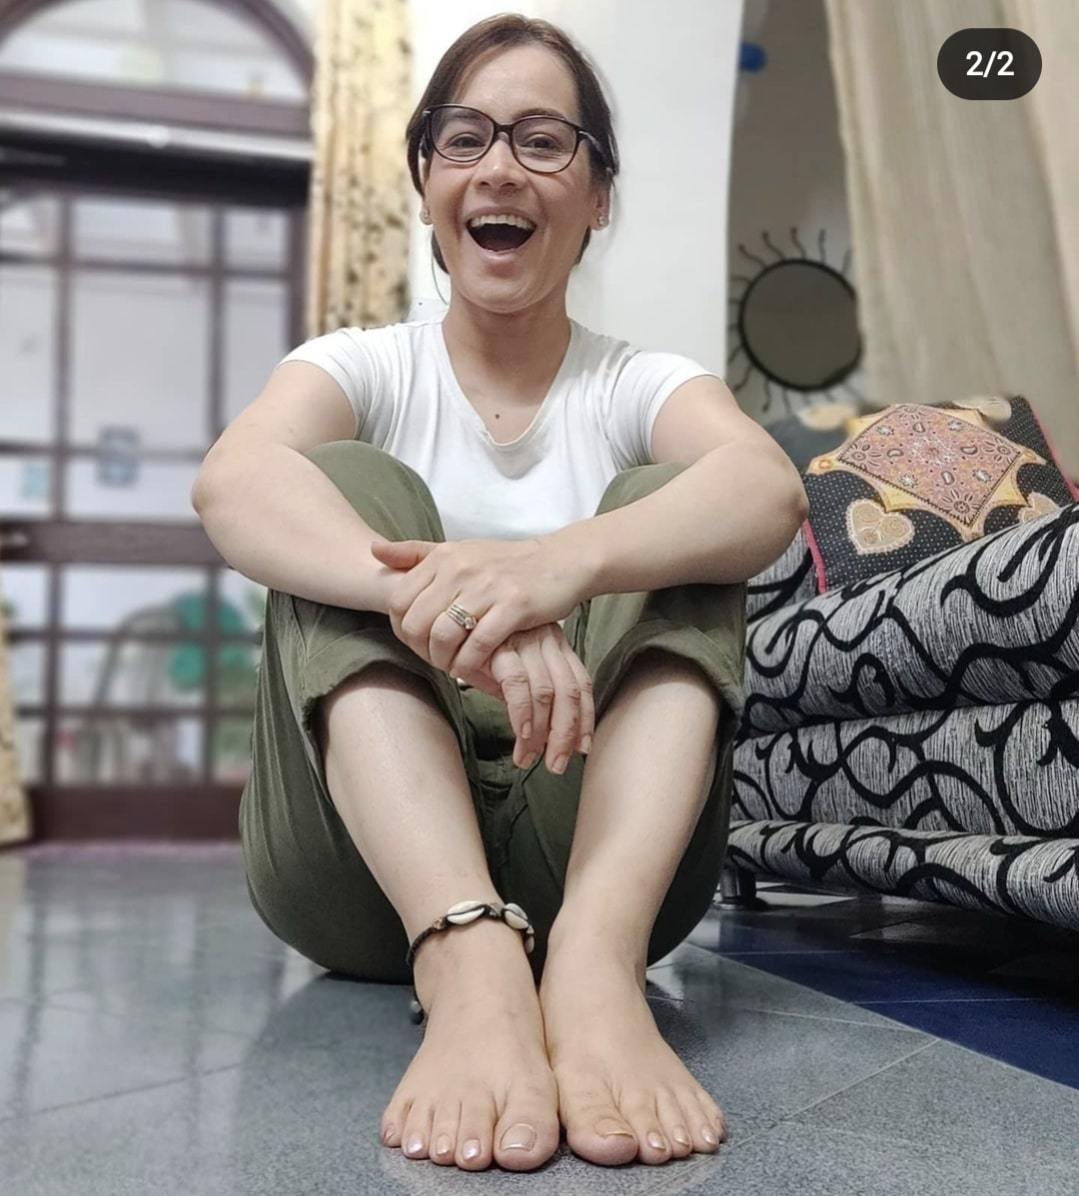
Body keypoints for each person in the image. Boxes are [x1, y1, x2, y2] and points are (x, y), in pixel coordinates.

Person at [192, 13, 807, 1175]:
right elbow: (231, 483)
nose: (498, 167)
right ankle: (465, 958)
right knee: (339, 481)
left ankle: (590, 968)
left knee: (680, 505)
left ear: (597, 194)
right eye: (464, 136)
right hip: (358, 878)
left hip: (595, 858)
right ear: (426, 181)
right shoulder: (363, 366)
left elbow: (765, 491)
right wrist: (460, 607)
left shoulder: (636, 383)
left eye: (541, 139)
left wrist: (557, 565)